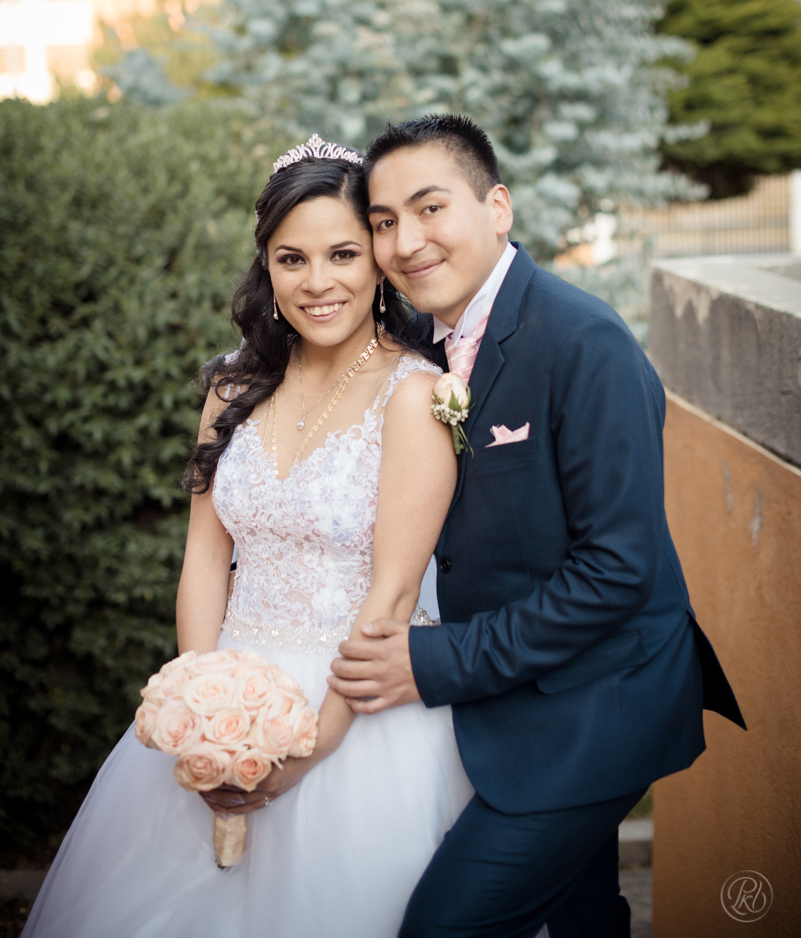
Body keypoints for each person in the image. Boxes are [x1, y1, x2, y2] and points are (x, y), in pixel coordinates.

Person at [23, 138, 474, 938]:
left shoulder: (416, 395)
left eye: (341, 253)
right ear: (265, 268)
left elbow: (394, 592)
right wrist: (199, 698)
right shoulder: (233, 385)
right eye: (290, 258)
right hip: (230, 688)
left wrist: (312, 746)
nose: (318, 282)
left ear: (375, 259)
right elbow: (206, 551)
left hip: (357, 714)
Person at [328, 114, 747, 938]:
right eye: (383, 222)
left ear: (498, 208)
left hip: (595, 710)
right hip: (514, 702)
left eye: (429, 208)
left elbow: (618, 570)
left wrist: (435, 661)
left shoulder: (583, 341)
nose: (406, 241)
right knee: (582, 915)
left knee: (445, 927)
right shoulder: (421, 342)